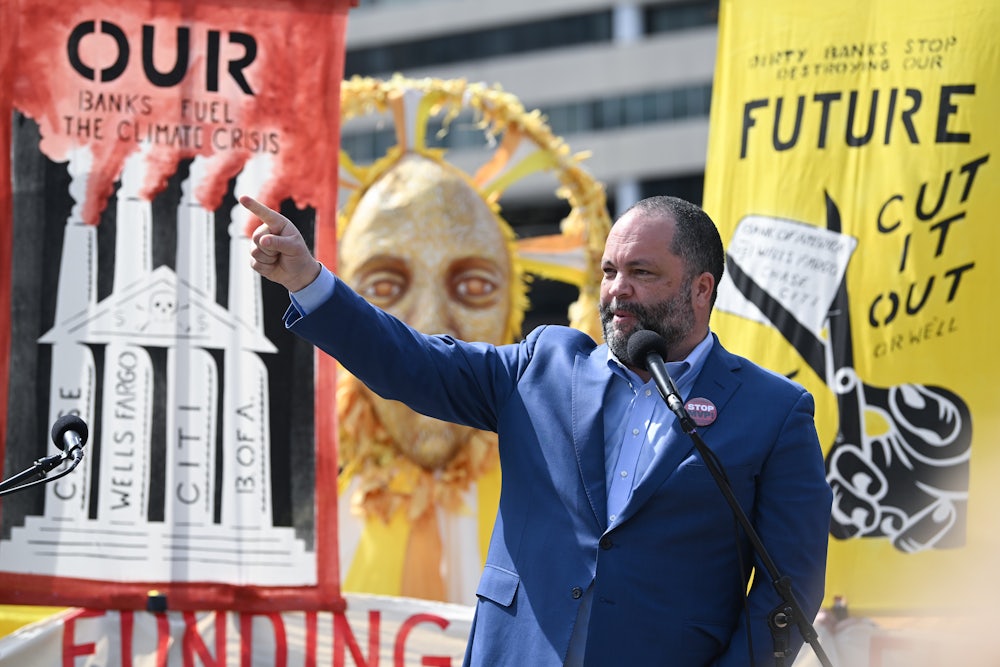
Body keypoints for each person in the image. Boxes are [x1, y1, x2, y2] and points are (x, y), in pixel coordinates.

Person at [240, 192, 833, 666]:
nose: (617, 289)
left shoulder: (773, 411)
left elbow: (788, 592)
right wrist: (308, 280)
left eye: (641, 272)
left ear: (701, 289)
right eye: (608, 270)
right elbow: (411, 363)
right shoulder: (543, 365)